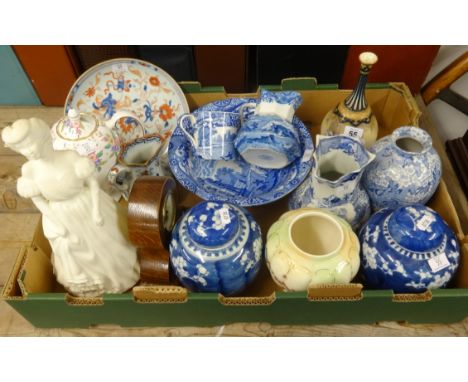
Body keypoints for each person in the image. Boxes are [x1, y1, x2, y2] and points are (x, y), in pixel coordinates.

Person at [2, 117, 139, 297]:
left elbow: (92, 184)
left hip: (86, 204)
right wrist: (55, 221)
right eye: (23, 150)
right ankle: (89, 288)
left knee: (107, 241)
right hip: (58, 214)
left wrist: (97, 211)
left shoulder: (70, 157)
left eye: (32, 145)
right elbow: (39, 200)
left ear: (44, 139)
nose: (30, 152)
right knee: (69, 249)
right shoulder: (29, 170)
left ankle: (120, 279)